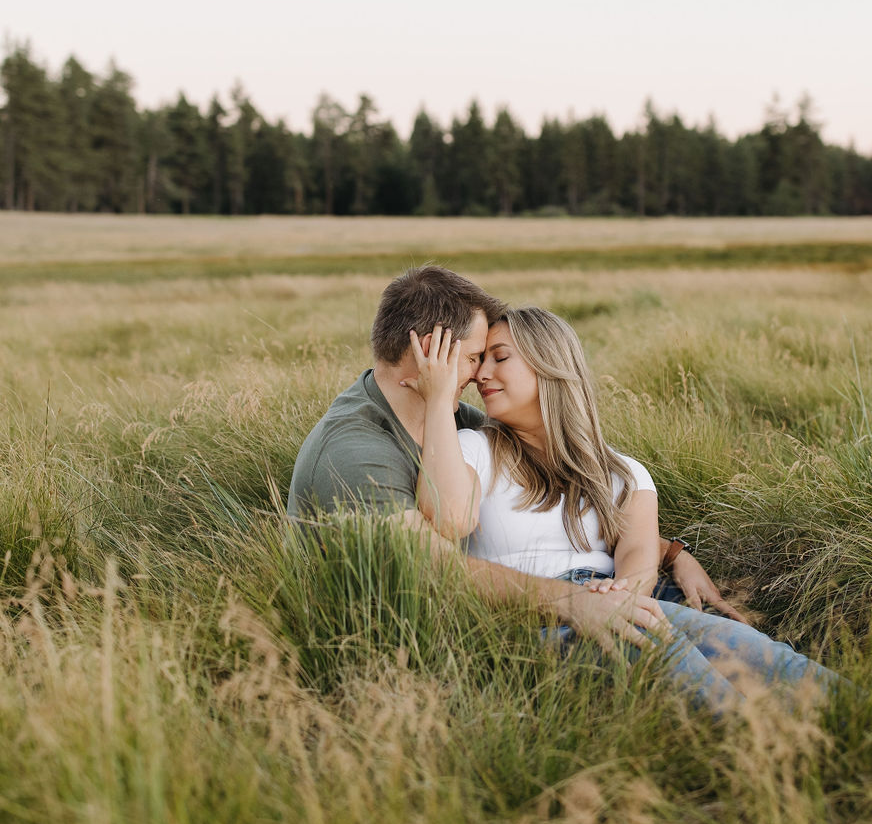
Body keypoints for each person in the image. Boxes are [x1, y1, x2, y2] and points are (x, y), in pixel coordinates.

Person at [410, 304, 843, 715]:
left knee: (755, 651)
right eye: (480, 360)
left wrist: (625, 592)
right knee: (687, 673)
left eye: (499, 358)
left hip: (617, 600)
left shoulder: (623, 472)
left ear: (548, 365)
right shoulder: (475, 449)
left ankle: (869, 725)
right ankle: (779, 761)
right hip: (531, 618)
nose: (481, 374)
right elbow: (444, 513)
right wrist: (438, 398)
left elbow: (637, 555)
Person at [287, 265, 734, 651]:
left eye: (489, 358)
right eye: (474, 357)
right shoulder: (355, 451)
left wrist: (671, 553)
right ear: (430, 352)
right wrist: (573, 601)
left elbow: (555, 497)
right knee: (687, 651)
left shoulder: (459, 419)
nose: (479, 375)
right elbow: (429, 567)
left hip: (540, 602)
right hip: (395, 645)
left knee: (739, 647)